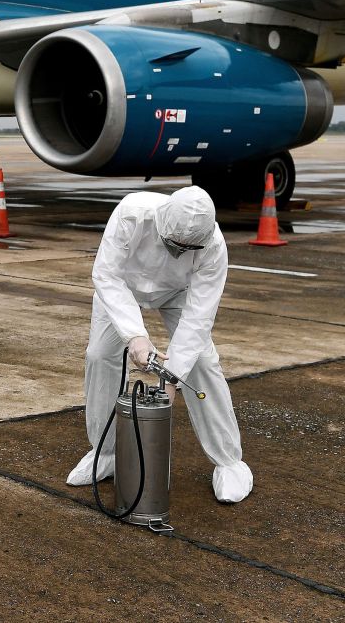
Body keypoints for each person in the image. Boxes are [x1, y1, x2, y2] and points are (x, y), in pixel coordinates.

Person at [66, 186, 253, 504]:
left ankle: (230, 462)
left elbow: (199, 316)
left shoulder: (214, 246)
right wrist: (135, 336)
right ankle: (106, 452)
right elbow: (106, 275)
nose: (180, 253)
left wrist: (172, 374)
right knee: (99, 356)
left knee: (203, 364)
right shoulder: (131, 213)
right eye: (173, 245)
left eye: (187, 249)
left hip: (178, 293)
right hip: (123, 289)